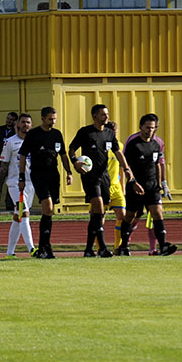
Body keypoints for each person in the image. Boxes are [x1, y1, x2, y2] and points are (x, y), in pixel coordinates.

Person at [68, 104, 133, 258]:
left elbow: (118, 152)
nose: (107, 117)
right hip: (90, 176)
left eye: (107, 114)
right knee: (99, 208)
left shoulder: (110, 134)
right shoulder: (85, 132)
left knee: (97, 214)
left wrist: (127, 169)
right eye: (103, 114)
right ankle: (102, 248)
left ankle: (89, 249)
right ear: (95, 116)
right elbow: (71, 148)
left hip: (105, 178)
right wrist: (75, 162)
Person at [18, 107, 73, 259]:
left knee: (49, 211)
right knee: (47, 205)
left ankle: (45, 247)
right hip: (38, 174)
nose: (53, 122)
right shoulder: (34, 134)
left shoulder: (56, 134)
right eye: (50, 119)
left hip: (53, 175)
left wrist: (69, 172)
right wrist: (21, 177)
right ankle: (43, 247)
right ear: (42, 118)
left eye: (54, 119)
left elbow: (63, 154)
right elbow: (22, 156)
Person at [119, 114, 177, 256]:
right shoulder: (133, 143)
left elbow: (158, 164)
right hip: (136, 186)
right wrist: (132, 182)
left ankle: (163, 245)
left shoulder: (157, 144)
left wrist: (161, 184)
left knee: (157, 213)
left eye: (153, 128)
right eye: (148, 127)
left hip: (152, 186)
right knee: (130, 216)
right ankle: (124, 246)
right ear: (141, 127)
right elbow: (125, 165)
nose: (151, 130)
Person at [0, 113, 36, 258]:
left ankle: (10, 252)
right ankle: (32, 249)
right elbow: (3, 167)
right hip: (15, 184)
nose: (25, 125)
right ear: (17, 124)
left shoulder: (34, 141)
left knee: (18, 217)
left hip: (31, 184)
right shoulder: (10, 142)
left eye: (28, 122)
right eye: (23, 122)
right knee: (24, 212)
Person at [100, 121, 127, 254]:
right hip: (102, 186)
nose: (115, 135)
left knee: (123, 216)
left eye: (116, 133)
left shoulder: (119, 146)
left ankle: (118, 247)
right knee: (99, 218)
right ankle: (100, 248)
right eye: (113, 133)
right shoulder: (100, 145)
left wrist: (123, 188)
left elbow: (121, 168)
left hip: (116, 187)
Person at [0, 112, 18, 210]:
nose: (9, 121)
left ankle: (10, 205)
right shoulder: (0, 129)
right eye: (8, 118)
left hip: (11, 162)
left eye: (11, 119)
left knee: (11, 183)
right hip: (0, 161)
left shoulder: (16, 132)